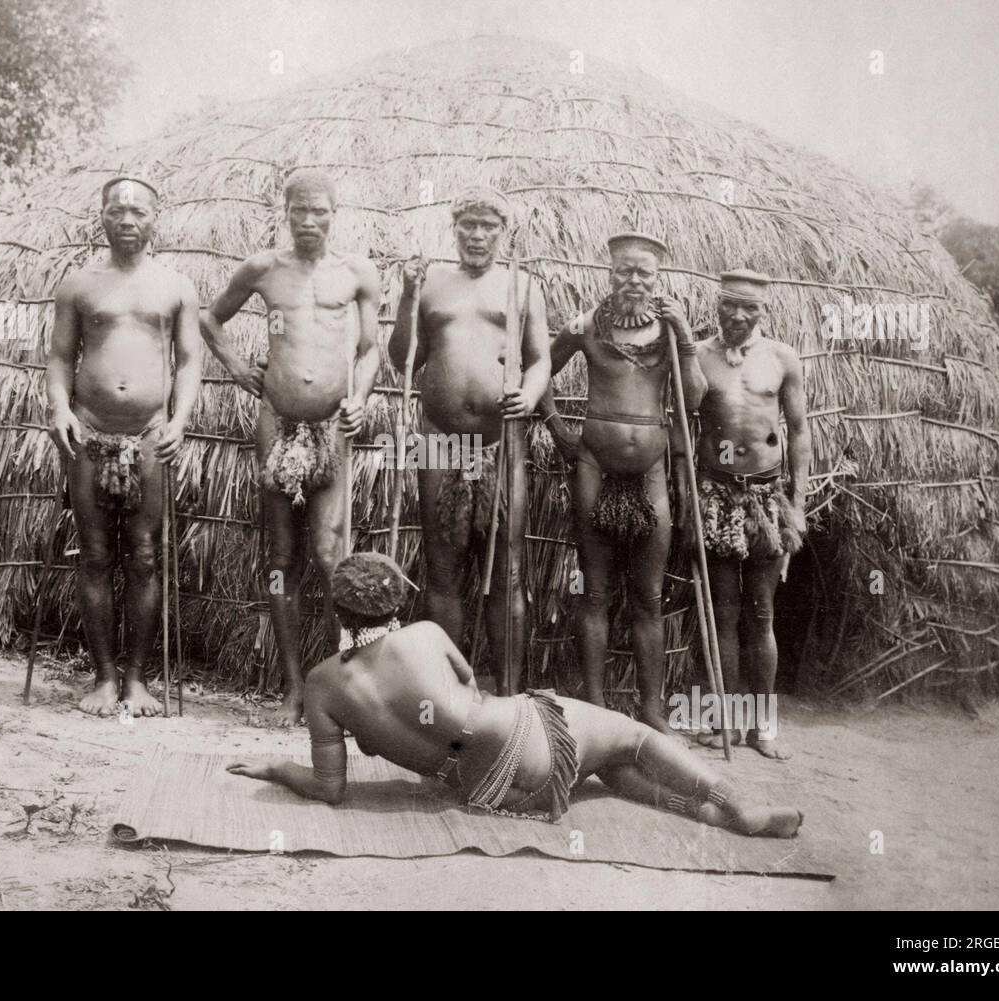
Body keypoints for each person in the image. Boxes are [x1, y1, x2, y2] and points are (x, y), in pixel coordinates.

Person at [227, 552, 803, 837]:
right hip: (523, 739)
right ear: (394, 607)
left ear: (338, 611)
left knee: (605, 769)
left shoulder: (323, 685)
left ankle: (714, 816)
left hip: (486, 793)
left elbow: (330, 790)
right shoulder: (423, 634)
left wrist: (279, 768)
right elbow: (471, 689)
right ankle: (734, 805)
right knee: (632, 738)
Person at [201, 168, 380, 726]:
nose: (308, 221)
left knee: (332, 559)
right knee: (281, 560)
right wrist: (234, 366)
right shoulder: (263, 269)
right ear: (285, 211)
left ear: (334, 214)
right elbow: (210, 318)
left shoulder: (356, 273)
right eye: (299, 210)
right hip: (276, 425)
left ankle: (335, 685)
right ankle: (292, 687)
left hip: (331, 429)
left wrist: (361, 397)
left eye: (319, 212)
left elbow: (371, 349)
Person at [46, 176, 202, 716]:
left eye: (139, 211)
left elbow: (189, 361)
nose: (128, 220)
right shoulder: (78, 286)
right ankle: (104, 679)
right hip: (88, 431)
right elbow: (61, 357)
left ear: (157, 217)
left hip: (151, 436)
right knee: (94, 555)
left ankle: (137, 680)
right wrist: (60, 409)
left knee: (143, 556)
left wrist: (181, 419)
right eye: (118, 210)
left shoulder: (176, 286)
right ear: (103, 217)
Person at [538, 233, 705, 733]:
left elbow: (693, 400)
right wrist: (554, 424)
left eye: (644, 273)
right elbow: (540, 365)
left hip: (651, 474)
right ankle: (593, 702)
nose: (633, 281)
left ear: (658, 278)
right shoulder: (588, 326)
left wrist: (688, 339)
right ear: (609, 273)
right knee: (594, 591)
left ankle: (651, 710)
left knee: (648, 597)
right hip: (594, 467)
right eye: (624, 271)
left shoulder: (672, 334)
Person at [387, 186, 550, 695]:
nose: (478, 235)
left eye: (489, 227)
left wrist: (529, 393)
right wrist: (409, 298)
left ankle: (509, 692)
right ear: (454, 229)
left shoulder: (522, 286)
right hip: (437, 440)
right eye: (469, 226)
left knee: (508, 570)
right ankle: (447, 692)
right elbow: (403, 360)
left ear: (504, 233)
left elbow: (541, 357)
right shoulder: (430, 283)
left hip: (501, 442)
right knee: (443, 567)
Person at [692, 270, 809, 759]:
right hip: (716, 495)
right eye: (729, 306)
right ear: (717, 305)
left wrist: (798, 507)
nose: (738, 316)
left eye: (750, 308)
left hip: (765, 500)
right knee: (723, 614)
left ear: (764, 310)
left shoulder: (782, 359)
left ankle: (762, 726)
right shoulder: (697, 357)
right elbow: (681, 426)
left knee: (761, 614)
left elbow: (799, 433)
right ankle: (725, 721)